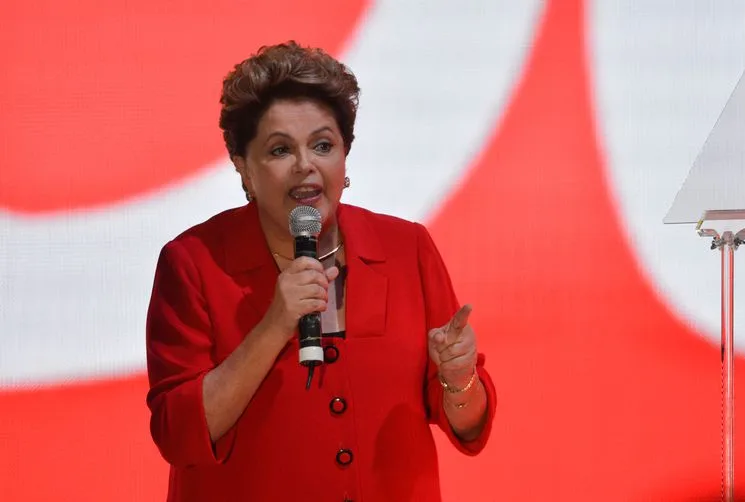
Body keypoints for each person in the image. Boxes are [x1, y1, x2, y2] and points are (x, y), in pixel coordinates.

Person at [145, 41, 497, 502]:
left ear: (344, 159)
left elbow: (468, 423)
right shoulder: (193, 262)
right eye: (279, 150)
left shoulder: (406, 248)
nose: (305, 165)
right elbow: (179, 435)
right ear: (244, 169)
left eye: (323, 145)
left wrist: (459, 377)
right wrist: (274, 325)